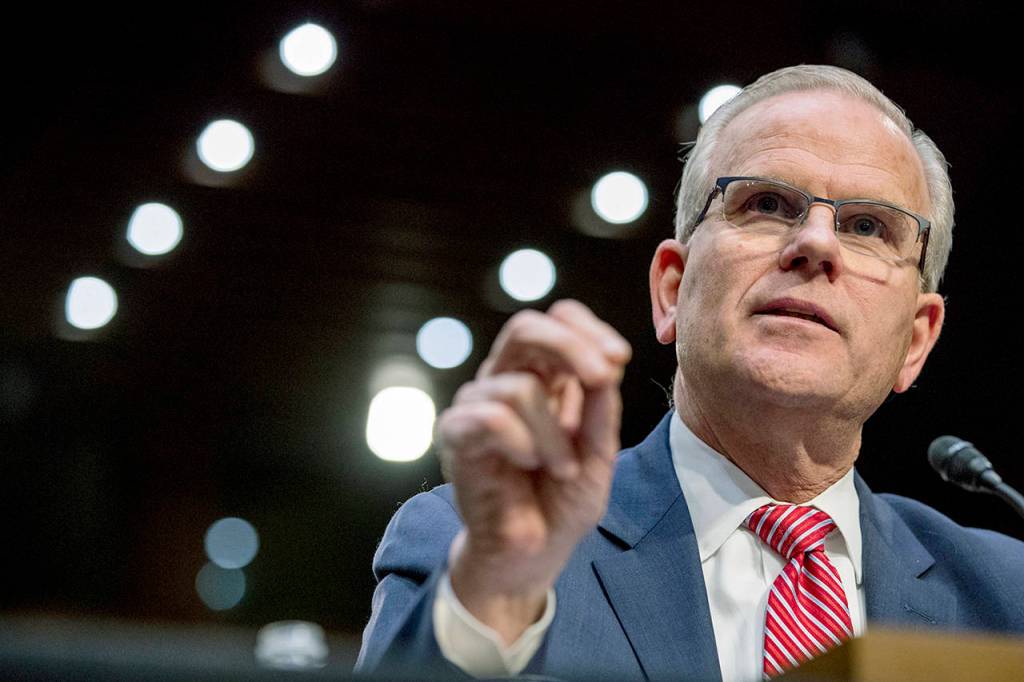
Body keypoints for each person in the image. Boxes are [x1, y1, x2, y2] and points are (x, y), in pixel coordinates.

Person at [355, 65, 1024, 681]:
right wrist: (498, 589)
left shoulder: (1005, 598)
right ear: (672, 290)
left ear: (916, 339)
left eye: (869, 227)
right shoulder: (478, 546)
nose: (816, 244)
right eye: (767, 204)